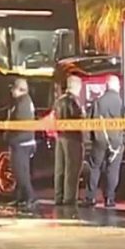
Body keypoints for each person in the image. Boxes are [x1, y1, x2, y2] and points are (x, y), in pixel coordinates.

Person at [83, 75, 125, 207]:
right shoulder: (122, 102)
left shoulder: (98, 102)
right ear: (117, 86)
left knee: (95, 167)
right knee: (113, 169)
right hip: (116, 141)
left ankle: (90, 197)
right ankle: (109, 198)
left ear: (106, 86)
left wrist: (90, 139)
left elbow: (91, 121)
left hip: (100, 138)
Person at [53, 74, 85, 206]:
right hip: (73, 138)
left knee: (60, 169)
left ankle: (58, 196)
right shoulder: (74, 101)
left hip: (60, 137)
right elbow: (78, 119)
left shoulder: (59, 101)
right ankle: (69, 198)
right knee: (72, 169)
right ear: (77, 86)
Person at [7, 78, 37, 212]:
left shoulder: (23, 102)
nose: (11, 91)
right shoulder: (23, 101)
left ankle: (31, 197)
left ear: (18, 89)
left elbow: (19, 121)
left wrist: (9, 132)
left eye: (13, 88)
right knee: (19, 171)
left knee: (21, 172)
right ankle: (20, 198)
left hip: (21, 141)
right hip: (23, 141)